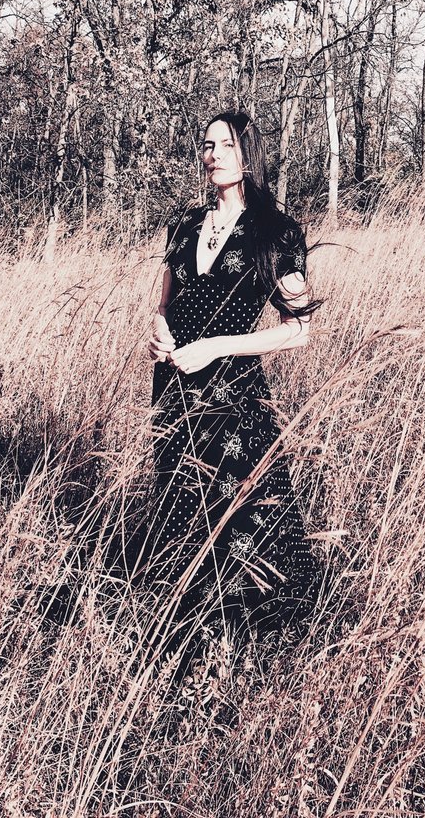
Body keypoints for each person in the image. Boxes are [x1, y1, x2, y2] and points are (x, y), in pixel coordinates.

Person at [138, 110, 322, 667]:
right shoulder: (185, 226)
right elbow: (164, 304)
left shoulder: (276, 232)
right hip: (173, 385)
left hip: (231, 395)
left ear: (247, 154)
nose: (213, 153)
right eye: (207, 144)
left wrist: (216, 346)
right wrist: (161, 336)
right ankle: (185, 632)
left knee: (239, 514)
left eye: (225, 144)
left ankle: (250, 638)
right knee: (178, 502)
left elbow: (298, 331)